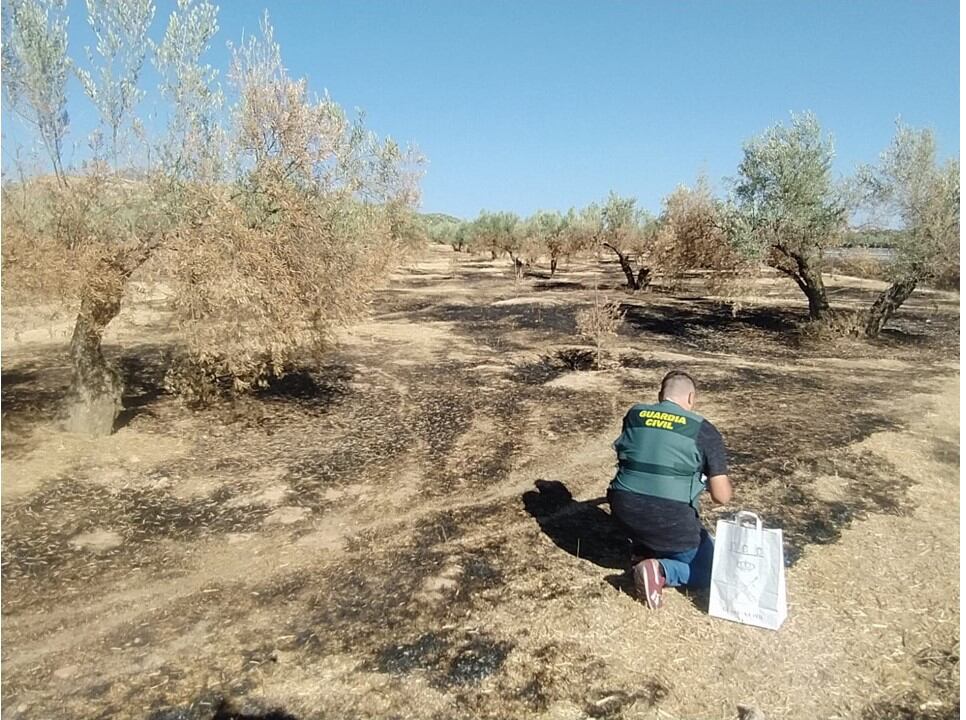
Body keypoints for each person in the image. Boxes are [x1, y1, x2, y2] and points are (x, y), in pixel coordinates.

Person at [607, 370, 732, 610]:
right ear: (691, 398)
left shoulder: (634, 414)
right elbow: (721, 496)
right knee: (713, 570)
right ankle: (661, 571)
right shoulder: (703, 430)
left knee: (651, 518)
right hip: (668, 517)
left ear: (660, 395)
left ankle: (644, 549)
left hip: (623, 508)